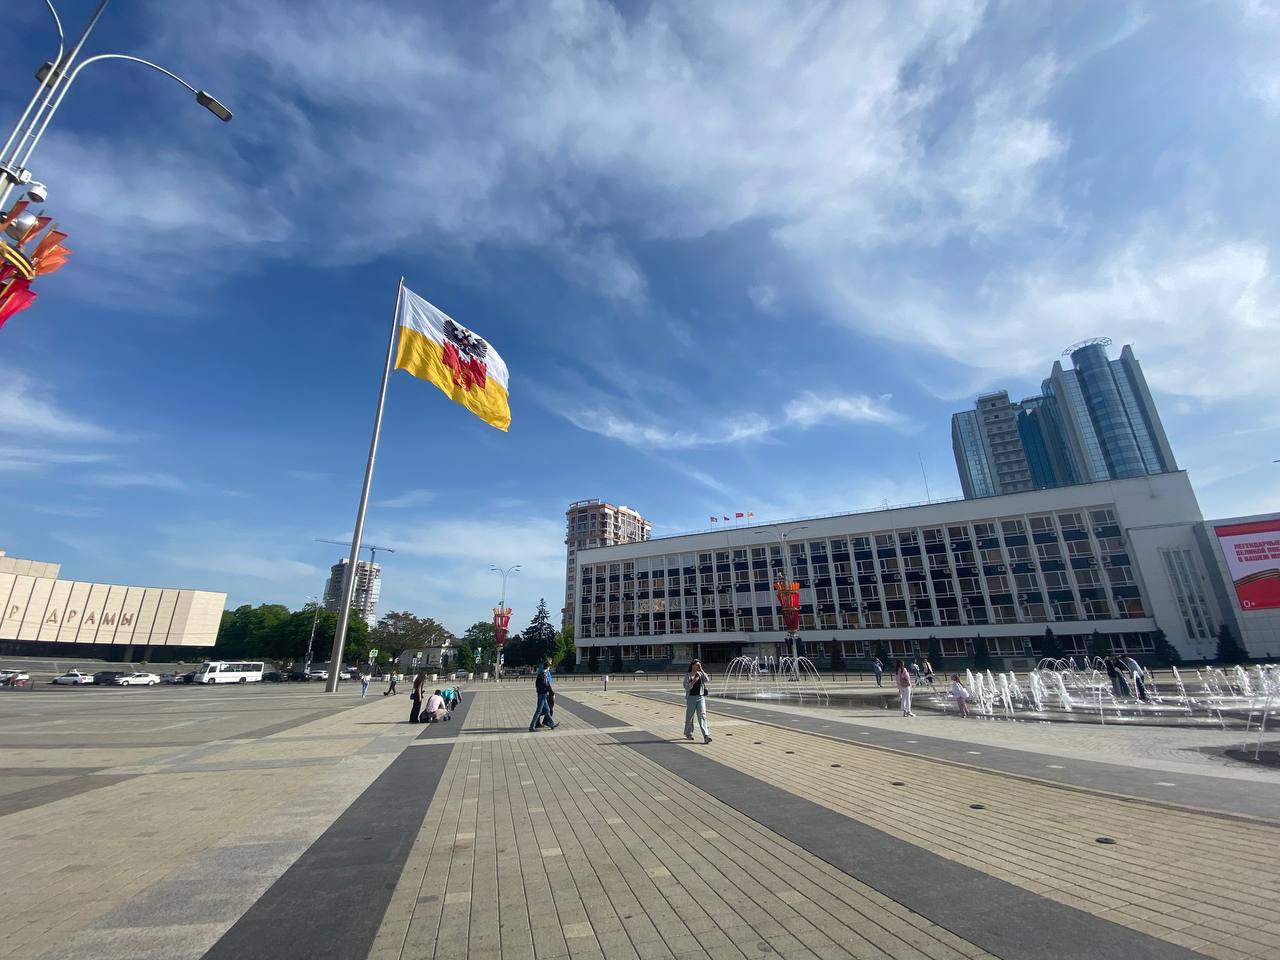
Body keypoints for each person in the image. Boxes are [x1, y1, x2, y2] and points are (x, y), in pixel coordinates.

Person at [683, 659, 712, 744]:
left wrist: (702, 670)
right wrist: (693, 682)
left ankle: (706, 735)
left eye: (699, 665)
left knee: (702, 716)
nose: (698, 666)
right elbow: (686, 687)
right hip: (691, 698)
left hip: (700, 698)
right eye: (697, 665)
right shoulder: (688, 675)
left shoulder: (700, 674)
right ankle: (688, 733)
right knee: (690, 717)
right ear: (692, 665)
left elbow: (707, 679)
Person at [529, 659, 558, 731]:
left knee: (547, 710)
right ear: (547, 668)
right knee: (539, 711)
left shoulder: (540, 675)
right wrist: (552, 693)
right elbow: (547, 685)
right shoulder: (544, 676)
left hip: (541, 694)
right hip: (542, 694)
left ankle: (551, 724)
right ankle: (532, 726)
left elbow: (537, 684)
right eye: (549, 667)